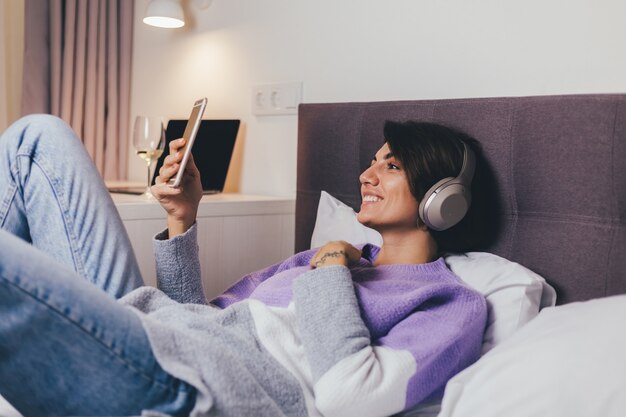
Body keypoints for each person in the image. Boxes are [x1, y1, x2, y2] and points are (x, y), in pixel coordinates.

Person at [0, 114, 490, 417]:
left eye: (392, 166)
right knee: (37, 139)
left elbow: (349, 398)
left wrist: (333, 265)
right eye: (373, 161)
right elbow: (201, 316)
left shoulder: (450, 304)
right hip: (163, 330)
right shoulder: (317, 262)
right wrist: (182, 216)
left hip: (202, 388)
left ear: (443, 199)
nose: (366, 175)